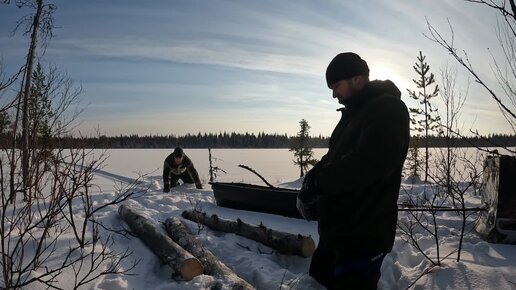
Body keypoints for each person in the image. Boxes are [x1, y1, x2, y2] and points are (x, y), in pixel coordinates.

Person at [297, 52, 410, 290]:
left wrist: (320, 183)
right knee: (317, 282)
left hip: (364, 233)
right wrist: (312, 178)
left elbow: (370, 164)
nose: (333, 94)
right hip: (338, 232)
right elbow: (334, 157)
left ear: (357, 79)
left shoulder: (388, 109)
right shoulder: (354, 114)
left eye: (336, 86)